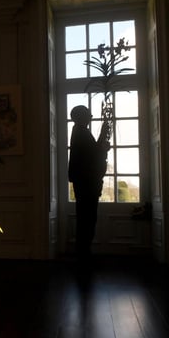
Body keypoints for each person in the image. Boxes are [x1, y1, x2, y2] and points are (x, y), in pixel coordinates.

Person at [68, 105, 110, 261]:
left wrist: (102, 139)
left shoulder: (79, 132)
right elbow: (94, 153)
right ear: (81, 117)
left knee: (86, 217)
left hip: (84, 181)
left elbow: (93, 152)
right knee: (88, 218)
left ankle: (83, 253)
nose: (91, 116)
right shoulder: (81, 133)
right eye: (88, 114)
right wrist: (103, 136)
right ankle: (83, 254)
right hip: (87, 182)